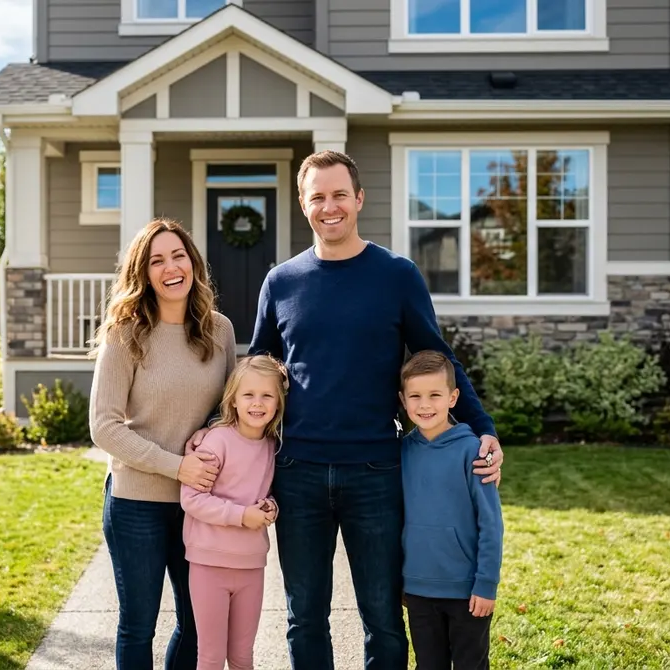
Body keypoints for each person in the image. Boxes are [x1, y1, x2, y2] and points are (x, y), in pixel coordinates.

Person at [188, 150, 505, 669]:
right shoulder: (281, 281)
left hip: (376, 470)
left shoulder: (396, 275)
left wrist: (483, 426)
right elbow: (258, 372)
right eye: (317, 197)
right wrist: (217, 430)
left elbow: (437, 358)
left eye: (339, 195)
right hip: (299, 471)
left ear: (359, 198)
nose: (329, 206)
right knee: (304, 616)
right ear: (302, 203)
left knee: (381, 615)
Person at [89, 217, 237, 670]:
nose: (170, 268)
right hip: (138, 503)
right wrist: (177, 467)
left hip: (200, 504)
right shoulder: (126, 334)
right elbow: (104, 426)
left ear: (192, 263)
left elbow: (227, 410)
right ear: (143, 273)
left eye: (178, 256)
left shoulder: (220, 330)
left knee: (198, 624)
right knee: (139, 625)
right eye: (157, 260)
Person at [179, 354, 287, 670]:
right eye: (248, 395)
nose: (258, 403)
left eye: (267, 395)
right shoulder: (216, 441)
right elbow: (193, 499)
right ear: (233, 400)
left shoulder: (273, 445)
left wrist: (270, 507)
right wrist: (242, 516)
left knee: (242, 657)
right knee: (211, 658)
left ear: (278, 402)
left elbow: (265, 493)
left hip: (251, 565)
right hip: (209, 563)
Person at [398, 350, 503, 670]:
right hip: (417, 590)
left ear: (453, 397)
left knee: (470, 664)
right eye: (415, 396)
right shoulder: (400, 452)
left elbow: (491, 524)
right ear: (403, 400)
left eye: (435, 395)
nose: (425, 405)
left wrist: (486, 584)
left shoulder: (473, 451)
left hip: (467, 591)